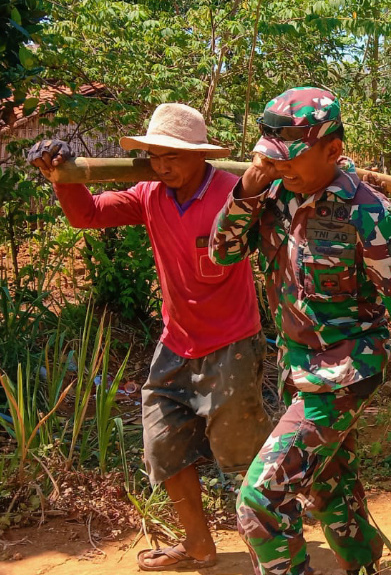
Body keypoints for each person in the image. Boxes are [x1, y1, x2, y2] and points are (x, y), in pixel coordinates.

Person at [210, 87, 391, 575]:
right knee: (329, 486)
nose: (283, 169)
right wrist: (249, 191)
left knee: (261, 500)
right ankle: (363, 566)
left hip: (346, 370)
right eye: (274, 159)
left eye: (292, 160)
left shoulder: (369, 215)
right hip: (297, 366)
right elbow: (222, 253)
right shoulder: (270, 197)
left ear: (333, 151)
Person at [27, 104, 270, 571]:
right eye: (155, 156)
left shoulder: (233, 192)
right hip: (176, 343)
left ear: (200, 155)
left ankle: (273, 546)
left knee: (244, 457)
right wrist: (64, 177)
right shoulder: (151, 194)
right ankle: (199, 545)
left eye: (173, 157)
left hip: (232, 342)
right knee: (165, 445)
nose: (162, 166)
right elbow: (89, 215)